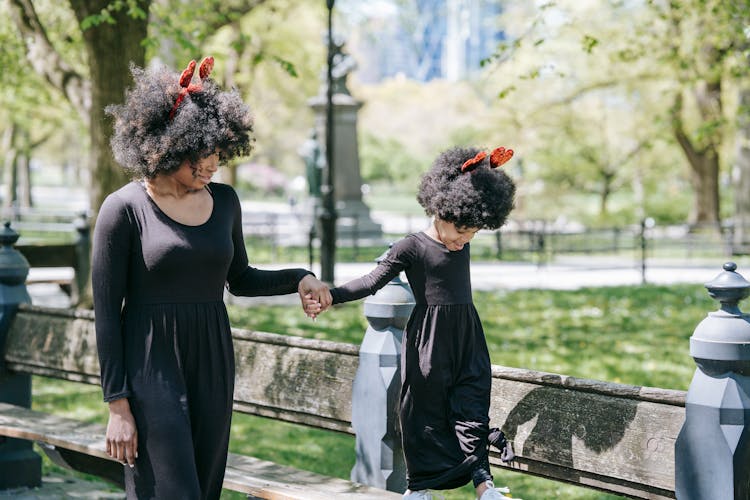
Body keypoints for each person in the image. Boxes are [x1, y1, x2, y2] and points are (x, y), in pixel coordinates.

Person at [93, 56, 330, 499]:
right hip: (150, 362)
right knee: (170, 490)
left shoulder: (225, 201)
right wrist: (118, 405)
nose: (212, 164)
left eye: (218, 152)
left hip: (213, 357)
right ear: (167, 145)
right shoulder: (122, 210)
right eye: (201, 154)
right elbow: (106, 315)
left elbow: (240, 278)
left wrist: (301, 277)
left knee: (203, 488)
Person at [312, 146, 519, 500]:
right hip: (429, 340)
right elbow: (372, 280)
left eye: (473, 234)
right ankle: (419, 487)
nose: (464, 240)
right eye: (462, 231)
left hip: (466, 334)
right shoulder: (411, 247)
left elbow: (464, 212)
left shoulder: (461, 239)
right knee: (422, 412)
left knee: (472, 405)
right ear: (442, 209)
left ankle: (485, 487)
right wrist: (332, 295)